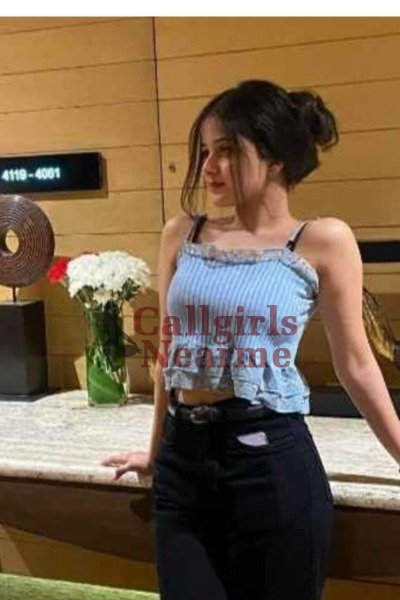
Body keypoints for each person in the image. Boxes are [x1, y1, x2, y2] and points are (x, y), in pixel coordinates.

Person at [101, 79, 400, 600]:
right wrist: (154, 451)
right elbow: (168, 352)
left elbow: (355, 364)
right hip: (182, 464)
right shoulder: (182, 234)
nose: (209, 166)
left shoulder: (322, 240)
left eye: (227, 150)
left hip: (270, 460)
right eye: (205, 152)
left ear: (276, 158)